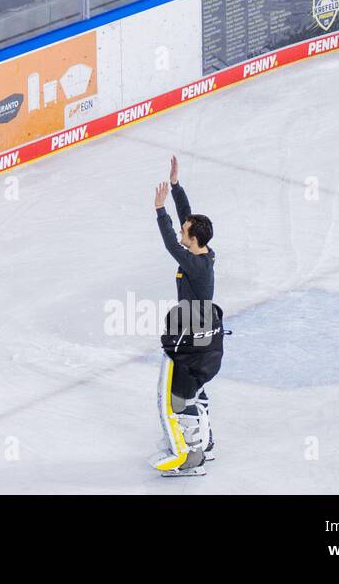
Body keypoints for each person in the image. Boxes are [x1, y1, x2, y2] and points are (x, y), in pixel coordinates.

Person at [150, 156, 223, 477]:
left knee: (172, 400)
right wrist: (177, 187)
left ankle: (189, 454)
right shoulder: (205, 252)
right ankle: (204, 442)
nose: (182, 230)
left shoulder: (194, 262)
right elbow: (188, 221)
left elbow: (171, 241)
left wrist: (159, 209)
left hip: (192, 338)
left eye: (185, 230)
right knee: (194, 391)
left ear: (193, 240)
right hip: (204, 333)